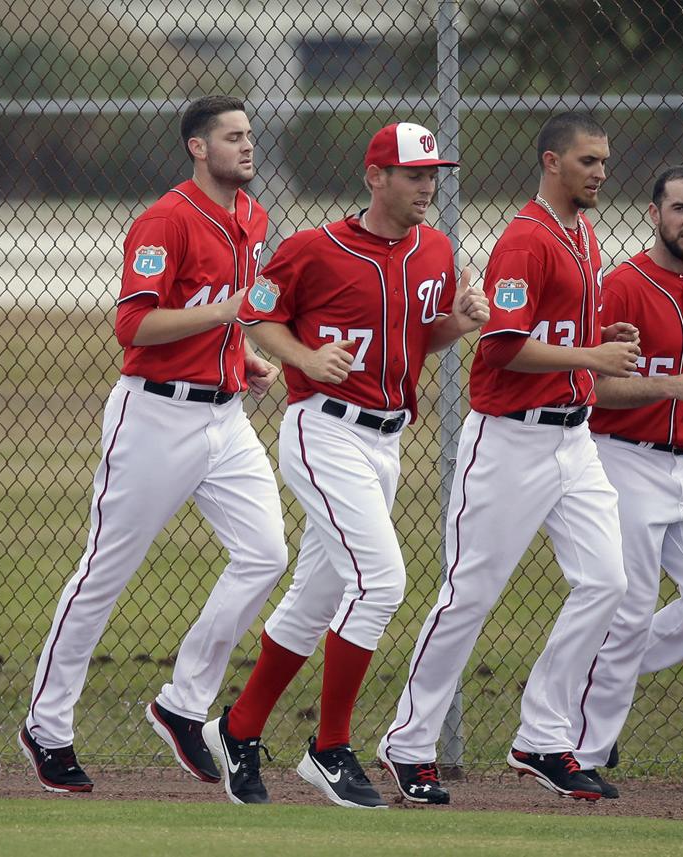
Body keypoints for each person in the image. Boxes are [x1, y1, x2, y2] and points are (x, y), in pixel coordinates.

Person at [204, 121, 489, 809]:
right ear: (375, 176)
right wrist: (302, 358)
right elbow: (256, 317)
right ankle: (328, 746)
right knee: (382, 580)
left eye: (433, 175)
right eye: (414, 174)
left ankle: (237, 731)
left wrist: (463, 318)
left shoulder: (436, 250)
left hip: (385, 442)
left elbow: (425, 334)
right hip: (321, 430)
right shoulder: (316, 248)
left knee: (315, 599)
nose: (427, 186)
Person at [20, 95, 288, 793]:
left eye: (250, 135)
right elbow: (134, 325)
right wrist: (230, 314)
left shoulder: (251, 217)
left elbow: (218, 313)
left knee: (265, 553)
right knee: (104, 571)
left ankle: (183, 702)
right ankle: (47, 725)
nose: (247, 146)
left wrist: (241, 354)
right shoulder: (164, 219)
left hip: (224, 417)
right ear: (198, 148)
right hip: (154, 419)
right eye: (233, 137)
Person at [378, 112, 641, 803]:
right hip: (510, 441)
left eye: (604, 160)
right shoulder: (525, 240)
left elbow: (551, 330)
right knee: (470, 595)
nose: (600, 172)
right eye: (588, 160)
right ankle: (408, 743)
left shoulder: (581, 232)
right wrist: (591, 353)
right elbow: (500, 347)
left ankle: (542, 737)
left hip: (573, 439)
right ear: (552, 162)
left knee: (608, 581)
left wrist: (594, 333)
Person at [569, 166, 683, 797]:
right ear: (653, 213)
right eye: (679, 209)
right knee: (628, 608)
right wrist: (672, 387)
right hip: (624, 458)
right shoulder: (618, 286)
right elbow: (587, 388)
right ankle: (585, 752)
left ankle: (593, 680)